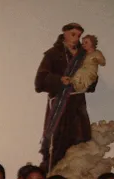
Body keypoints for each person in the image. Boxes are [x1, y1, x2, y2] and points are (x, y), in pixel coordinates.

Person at [35, 23, 93, 170]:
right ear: (65, 33)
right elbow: (40, 80)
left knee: (80, 142)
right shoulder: (53, 54)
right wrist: (59, 80)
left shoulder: (84, 55)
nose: (76, 39)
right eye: (73, 34)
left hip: (77, 105)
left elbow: (91, 79)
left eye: (79, 36)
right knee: (58, 143)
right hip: (60, 105)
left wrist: (87, 80)